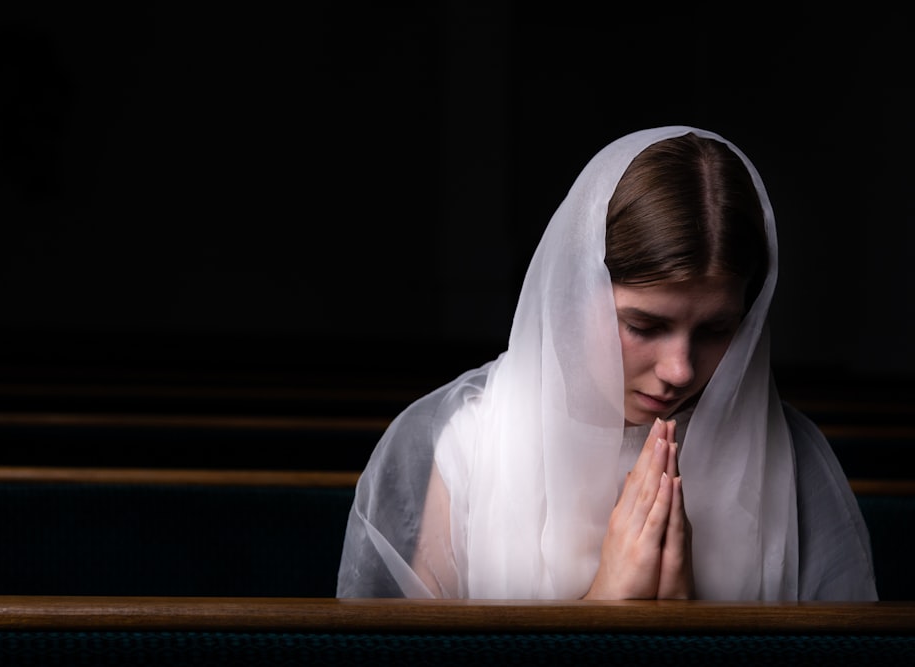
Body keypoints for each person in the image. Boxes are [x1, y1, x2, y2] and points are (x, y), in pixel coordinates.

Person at [336, 126, 878, 601]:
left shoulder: (791, 455)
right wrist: (604, 610)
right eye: (644, 326)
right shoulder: (465, 445)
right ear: (574, 295)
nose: (681, 370)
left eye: (717, 329)